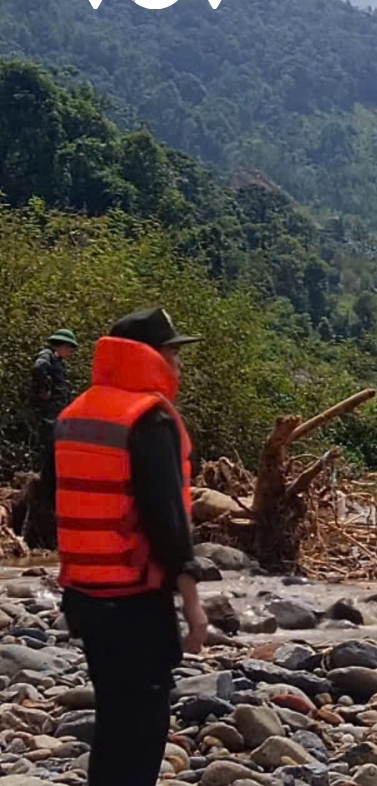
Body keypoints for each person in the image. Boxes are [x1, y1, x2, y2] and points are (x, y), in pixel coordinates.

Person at [55, 308, 208, 786]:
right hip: (135, 600)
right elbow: (167, 522)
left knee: (113, 720)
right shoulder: (148, 419)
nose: (179, 363)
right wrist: (193, 603)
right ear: (150, 356)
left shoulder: (74, 414)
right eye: (174, 352)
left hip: (84, 597)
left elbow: (49, 499)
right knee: (141, 728)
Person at [26, 328, 78, 548]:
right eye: (69, 348)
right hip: (50, 418)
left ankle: (52, 490)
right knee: (51, 453)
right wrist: (45, 389)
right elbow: (38, 369)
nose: (70, 352)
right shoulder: (46, 356)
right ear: (61, 346)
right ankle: (47, 493)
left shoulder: (57, 362)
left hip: (57, 417)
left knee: (57, 453)